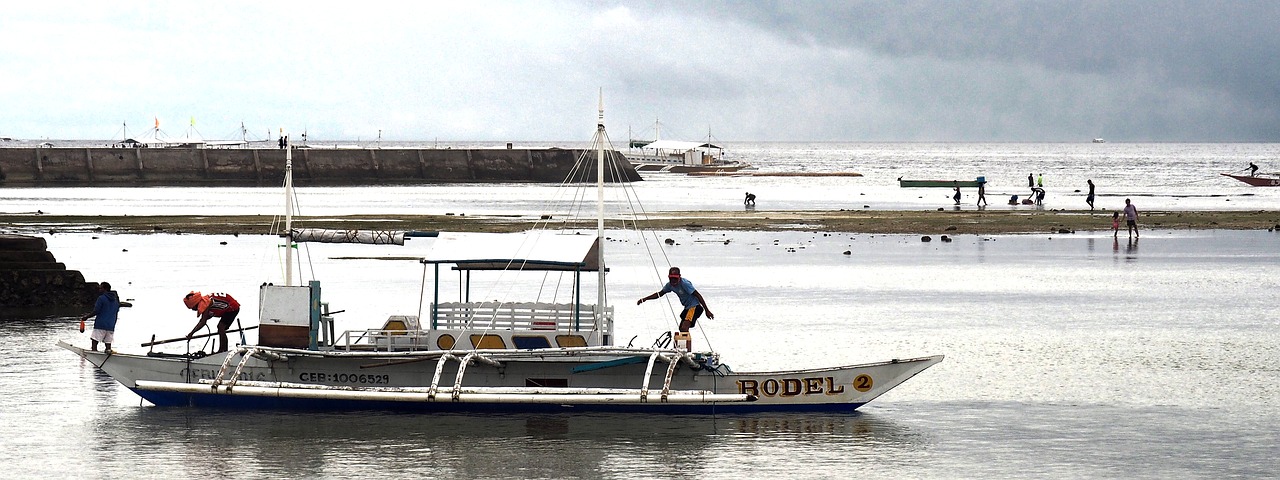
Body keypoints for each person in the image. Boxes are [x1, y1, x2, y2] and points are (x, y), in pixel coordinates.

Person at [637, 267, 714, 350]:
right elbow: (660, 294)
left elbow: (698, 295)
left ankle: (686, 350)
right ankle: (683, 348)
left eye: (675, 278)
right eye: (671, 278)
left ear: (679, 276)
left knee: (684, 328)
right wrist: (644, 299)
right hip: (687, 307)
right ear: (668, 277)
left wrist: (707, 310)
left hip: (695, 306)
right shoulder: (669, 285)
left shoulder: (685, 284)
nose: (673, 281)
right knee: (681, 328)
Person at [81, 282, 120, 353]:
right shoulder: (115, 301)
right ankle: (108, 356)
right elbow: (116, 312)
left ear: (105, 289)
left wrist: (86, 317)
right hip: (111, 325)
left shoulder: (101, 298)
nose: (99, 289)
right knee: (108, 343)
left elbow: (96, 311)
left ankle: (94, 354)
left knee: (94, 341)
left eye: (100, 288)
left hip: (100, 324)